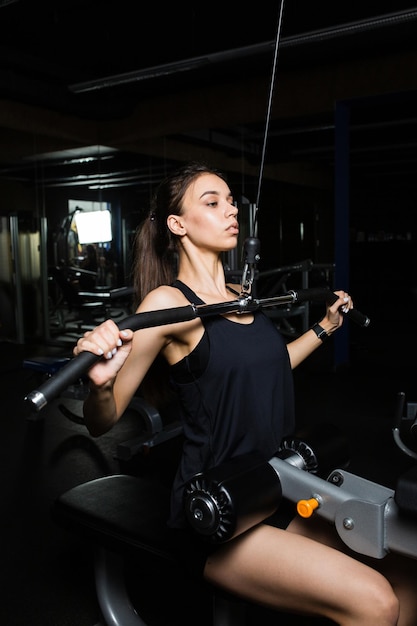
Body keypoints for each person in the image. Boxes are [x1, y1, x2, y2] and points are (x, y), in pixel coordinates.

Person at [74, 162, 417, 625]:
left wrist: (323, 328)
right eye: (212, 203)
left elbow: (269, 367)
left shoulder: (241, 295)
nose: (231, 211)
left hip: (273, 487)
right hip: (218, 508)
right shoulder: (167, 304)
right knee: (375, 602)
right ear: (178, 225)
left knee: (406, 575)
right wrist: (101, 384)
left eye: (232, 202)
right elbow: (103, 420)